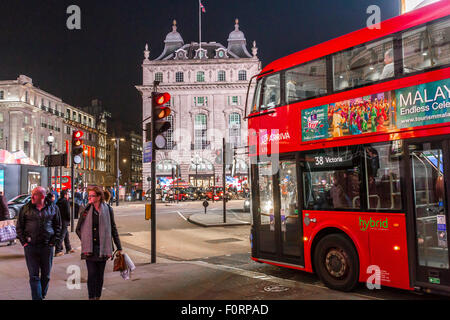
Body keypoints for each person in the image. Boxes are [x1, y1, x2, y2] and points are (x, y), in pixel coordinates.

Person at [76, 185, 122, 300]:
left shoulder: (108, 209)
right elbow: (78, 228)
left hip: (103, 248)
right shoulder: (85, 210)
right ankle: (91, 297)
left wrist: (119, 246)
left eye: (92, 196)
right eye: (89, 195)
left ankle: (98, 296)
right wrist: (85, 239)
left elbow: (113, 228)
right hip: (89, 249)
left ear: (99, 197)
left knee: (100, 275)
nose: (89, 198)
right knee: (91, 274)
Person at [16, 186, 62, 300]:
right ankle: (37, 298)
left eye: (34, 194)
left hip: (47, 246)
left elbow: (58, 226)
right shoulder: (25, 209)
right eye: (32, 194)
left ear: (42, 196)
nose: (31, 196)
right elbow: (19, 227)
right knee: (34, 276)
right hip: (31, 247)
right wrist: (24, 243)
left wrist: (53, 242)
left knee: (46, 276)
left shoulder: (53, 208)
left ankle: (41, 295)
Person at [55, 190, 75, 257]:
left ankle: (68, 248)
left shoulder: (58, 201)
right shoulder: (66, 201)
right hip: (64, 221)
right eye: (68, 194)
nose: (68, 195)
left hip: (59, 220)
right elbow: (67, 212)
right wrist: (69, 220)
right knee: (62, 236)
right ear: (65, 195)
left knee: (66, 235)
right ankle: (57, 251)